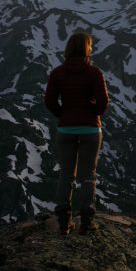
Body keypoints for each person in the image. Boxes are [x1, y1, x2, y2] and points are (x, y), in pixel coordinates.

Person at [44, 31, 110, 235]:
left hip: (66, 128)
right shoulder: (94, 73)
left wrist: (63, 115)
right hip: (90, 128)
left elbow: (49, 101)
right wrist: (93, 112)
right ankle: (87, 222)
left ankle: (64, 222)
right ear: (87, 49)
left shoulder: (57, 73)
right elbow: (103, 103)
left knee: (66, 174)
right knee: (88, 175)